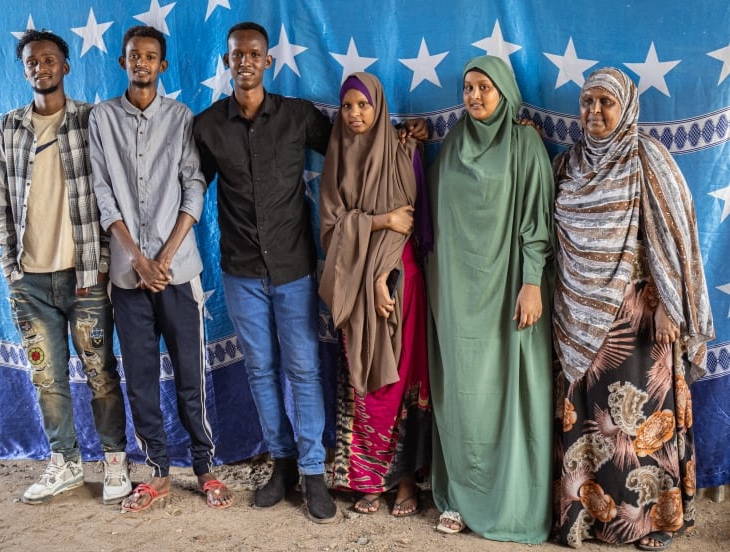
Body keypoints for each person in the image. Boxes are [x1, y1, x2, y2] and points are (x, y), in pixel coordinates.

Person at [193, 21, 427, 524]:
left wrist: (405, 137)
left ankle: (314, 474)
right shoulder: (208, 126)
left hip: (294, 268)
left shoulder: (298, 117)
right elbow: (190, 189)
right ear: (226, 62)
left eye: (255, 53)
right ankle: (282, 466)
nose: (246, 62)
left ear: (268, 61)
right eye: (237, 55)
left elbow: (356, 142)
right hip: (239, 270)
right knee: (260, 370)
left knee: (303, 368)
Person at [552, 67, 714, 551]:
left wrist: (669, 304)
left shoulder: (648, 159)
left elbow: (675, 236)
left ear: (626, 109)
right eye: (587, 102)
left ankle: (652, 524)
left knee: (643, 424)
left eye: (606, 103)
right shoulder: (569, 164)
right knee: (589, 424)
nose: (594, 112)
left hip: (639, 316)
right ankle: (591, 520)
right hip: (579, 323)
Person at [88, 25, 232, 513]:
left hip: (177, 272)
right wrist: (138, 259)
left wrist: (164, 259)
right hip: (129, 278)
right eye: (133, 56)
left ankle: (205, 468)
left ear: (162, 65)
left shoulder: (180, 117)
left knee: (192, 375)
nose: (141, 63)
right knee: (141, 379)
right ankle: (157, 471)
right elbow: (104, 194)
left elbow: (195, 187)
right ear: (122, 62)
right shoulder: (102, 119)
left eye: (150, 56)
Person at [0, 30, 131, 505]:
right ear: (25, 69)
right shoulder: (9, 127)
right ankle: (65, 463)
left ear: (66, 67)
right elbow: (0, 206)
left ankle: (114, 461)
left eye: (49, 60)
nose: (40, 68)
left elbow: (113, 194)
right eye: (32, 62)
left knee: (100, 372)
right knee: (46, 378)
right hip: (30, 281)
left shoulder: (92, 121)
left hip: (84, 275)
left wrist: (105, 264)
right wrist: (10, 268)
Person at [427, 55, 555, 542]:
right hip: (458, 295)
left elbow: (536, 222)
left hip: (512, 291)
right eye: (468, 88)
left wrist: (531, 282)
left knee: (513, 389)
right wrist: (410, 148)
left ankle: (515, 501)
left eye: (485, 87)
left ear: (504, 91)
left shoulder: (525, 144)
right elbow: (429, 208)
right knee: (463, 396)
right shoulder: (455, 142)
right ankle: (460, 496)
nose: (474, 96)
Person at [318, 73, 431, 517]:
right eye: (347, 106)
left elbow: (414, 225)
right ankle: (369, 480)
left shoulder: (404, 151)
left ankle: (405, 482)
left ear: (378, 107)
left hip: (401, 282)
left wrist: (384, 275)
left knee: (400, 381)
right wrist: (378, 221)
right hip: (356, 285)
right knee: (366, 385)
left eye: (363, 105)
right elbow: (332, 231)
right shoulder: (337, 159)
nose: (355, 114)